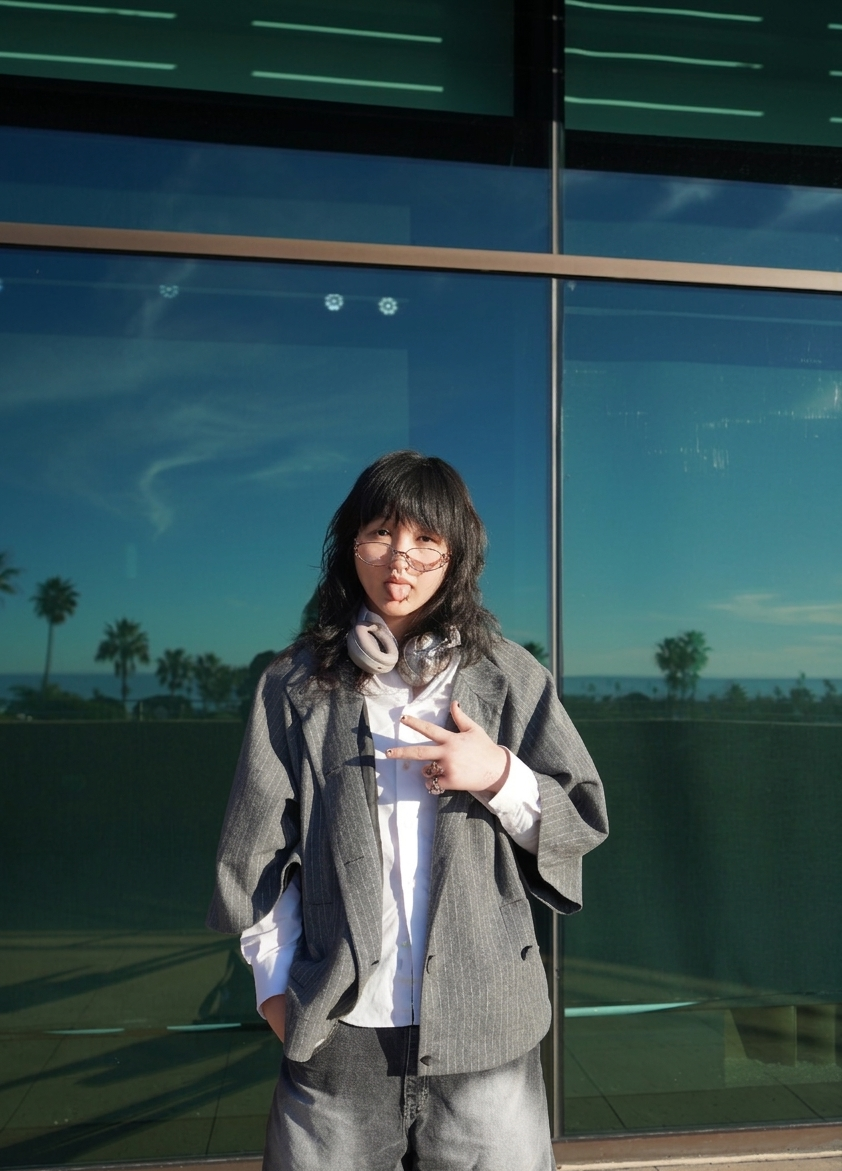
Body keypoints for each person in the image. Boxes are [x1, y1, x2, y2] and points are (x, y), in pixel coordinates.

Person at [207, 451, 608, 1171]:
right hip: (340, 1032)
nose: (402, 557)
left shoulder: (510, 676)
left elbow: (580, 816)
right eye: (381, 533)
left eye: (428, 540)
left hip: (486, 1032)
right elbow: (255, 848)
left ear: (457, 555)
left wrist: (498, 774)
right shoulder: (295, 684)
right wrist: (276, 989)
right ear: (350, 545)